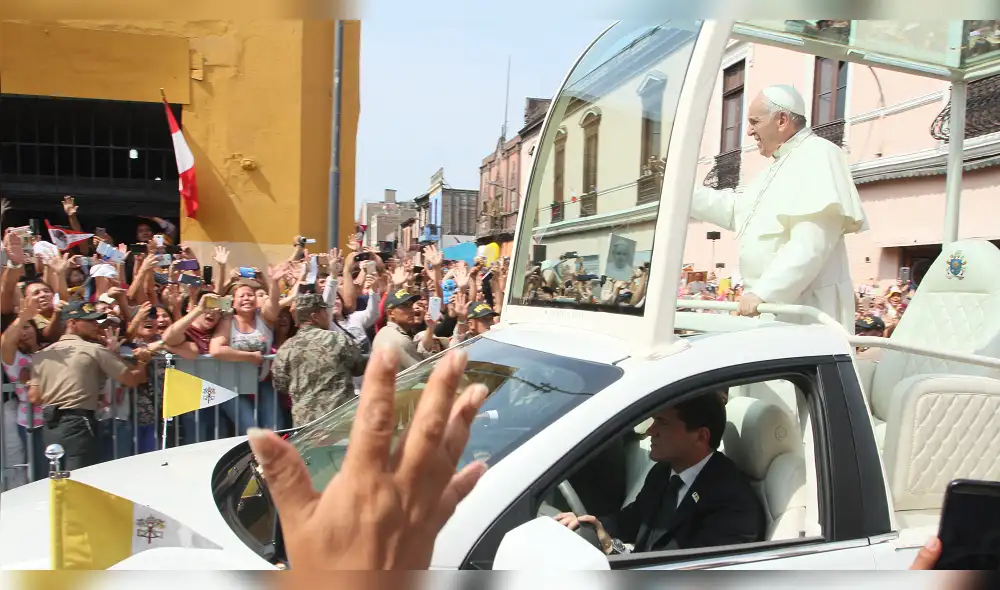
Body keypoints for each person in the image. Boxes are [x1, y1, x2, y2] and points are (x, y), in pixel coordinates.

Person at [691, 84, 868, 334]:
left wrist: (763, 293)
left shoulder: (820, 154)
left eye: (755, 122)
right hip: (769, 311)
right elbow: (734, 210)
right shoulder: (773, 168)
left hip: (804, 315)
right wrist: (680, 189)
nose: (749, 131)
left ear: (782, 120)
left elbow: (811, 244)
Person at [554, 393, 764, 554]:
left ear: (701, 436)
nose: (651, 431)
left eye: (663, 422)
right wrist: (587, 524)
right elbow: (631, 520)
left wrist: (614, 551)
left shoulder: (732, 504)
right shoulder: (665, 471)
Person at [28, 301, 151, 470]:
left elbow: (34, 397)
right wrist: (143, 362)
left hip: (50, 426)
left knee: (55, 477)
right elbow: (132, 380)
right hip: (80, 423)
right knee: (80, 478)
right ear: (72, 323)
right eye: (89, 321)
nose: (96, 325)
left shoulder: (42, 354)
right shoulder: (94, 350)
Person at [271, 294, 366, 427]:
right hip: (339, 419)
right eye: (325, 312)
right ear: (315, 317)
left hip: (305, 425)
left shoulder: (285, 349)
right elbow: (359, 367)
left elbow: (280, 385)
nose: (328, 316)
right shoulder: (338, 339)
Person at [371, 288, 437, 373]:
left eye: (411, 305)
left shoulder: (386, 332)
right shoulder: (399, 340)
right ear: (390, 313)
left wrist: (430, 327)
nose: (412, 310)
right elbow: (421, 373)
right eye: (405, 306)